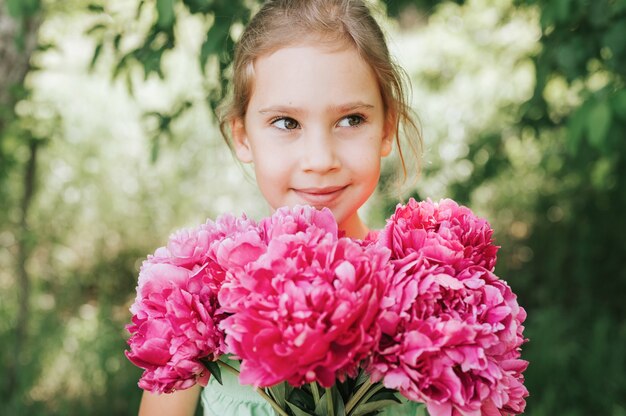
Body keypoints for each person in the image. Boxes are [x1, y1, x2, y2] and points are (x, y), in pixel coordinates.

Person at [138, 0, 422, 414]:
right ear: (243, 136)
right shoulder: (198, 301)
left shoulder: (431, 294)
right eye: (287, 123)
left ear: (387, 127)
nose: (320, 159)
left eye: (351, 120)